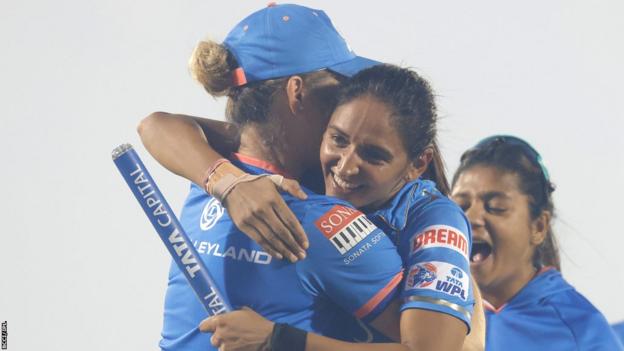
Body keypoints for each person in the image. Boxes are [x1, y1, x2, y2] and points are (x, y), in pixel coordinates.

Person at [142, 63, 483, 350]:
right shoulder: (301, 177)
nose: (346, 167)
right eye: (338, 139)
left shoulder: (435, 220)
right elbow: (158, 125)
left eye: (374, 155)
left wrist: (279, 339)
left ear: (418, 163)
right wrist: (228, 184)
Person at [149, 4, 408, 351]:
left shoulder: (204, 172)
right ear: (296, 92)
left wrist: (229, 183)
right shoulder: (325, 222)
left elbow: (158, 124)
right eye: (340, 89)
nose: (350, 106)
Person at [450, 135, 623, 350]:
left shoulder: (580, 332)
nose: (471, 217)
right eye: (461, 205)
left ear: (539, 227)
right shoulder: (425, 310)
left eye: (495, 207)